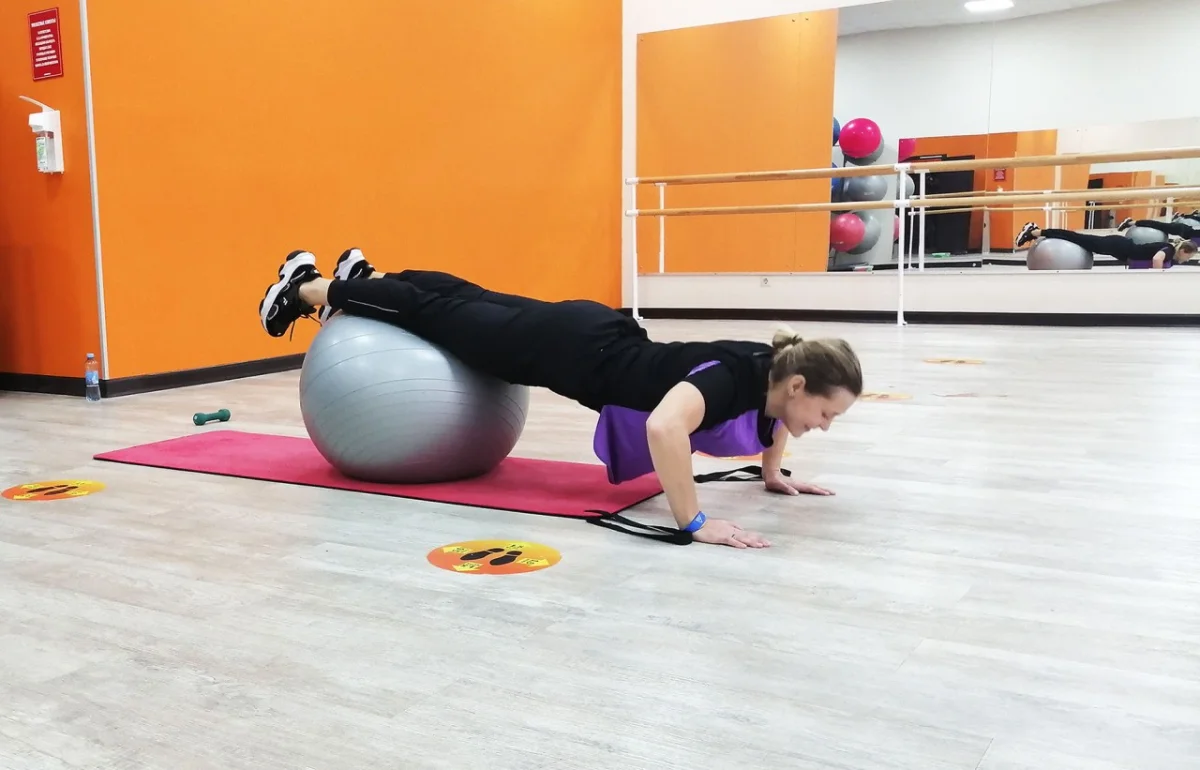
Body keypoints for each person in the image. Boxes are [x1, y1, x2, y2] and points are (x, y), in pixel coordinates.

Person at [258, 248, 863, 550]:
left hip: (593, 333)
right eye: (826, 413)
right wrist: (695, 523)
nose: (825, 425)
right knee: (440, 314)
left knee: (468, 300)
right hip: (566, 351)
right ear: (798, 386)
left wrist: (772, 473)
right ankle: (307, 287)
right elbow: (663, 428)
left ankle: (365, 280)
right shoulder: (730, 379)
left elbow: (775, 421)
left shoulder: (773, 368)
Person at [1016, 222, 1197, 269]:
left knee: (1078, 240)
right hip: (1118, 246)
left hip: (1118, 246)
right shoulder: (1169, 249)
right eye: (1188, 256)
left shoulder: (1171, 251)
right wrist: (1158, 278)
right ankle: (1035, 231)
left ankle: (1037, 231)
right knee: (1077, 238)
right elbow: (1157, 259)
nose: (1187, 260)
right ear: (1184, 250)